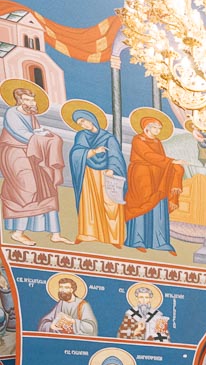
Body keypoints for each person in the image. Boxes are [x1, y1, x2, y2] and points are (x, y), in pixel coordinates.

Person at [0, 83, 65, 247]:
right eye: (28, 99)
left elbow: (37, 131)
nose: (31, 102)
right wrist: (41, 139)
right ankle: (17, 232)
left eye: (32, 99)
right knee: (27, 187)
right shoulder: (12, 113)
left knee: (47, 185)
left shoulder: (31, 116)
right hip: (14, 152)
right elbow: (20, 133)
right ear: (20, 100)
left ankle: (55, 234)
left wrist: (49, 135)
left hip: (31, 153)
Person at [124, 110, 184, 255]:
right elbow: (147, 155)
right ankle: (137, 240)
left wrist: (174, 165)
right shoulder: (138, 140)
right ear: (147, 127)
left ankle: (160, 242)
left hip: (157, 178)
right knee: (141, 204)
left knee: (158, 205)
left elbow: (160, 159)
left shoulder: (157, 142)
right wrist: (172, 161)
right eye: (155, 127)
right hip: (142, 176)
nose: (157, 131)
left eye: (159, 128)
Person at [65, 103, 126, 247]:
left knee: (111, 204)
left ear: (91, 119)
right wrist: (93, 152)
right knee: (89, 203)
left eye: (84, 120)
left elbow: (116, 155)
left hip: (107, 174)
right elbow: (76, 153)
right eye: (80, 123)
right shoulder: (81, 136)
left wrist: (112, 169)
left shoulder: (108, 137)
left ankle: (114, 237)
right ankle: (88, 234)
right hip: (89, 174)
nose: (83, 124)